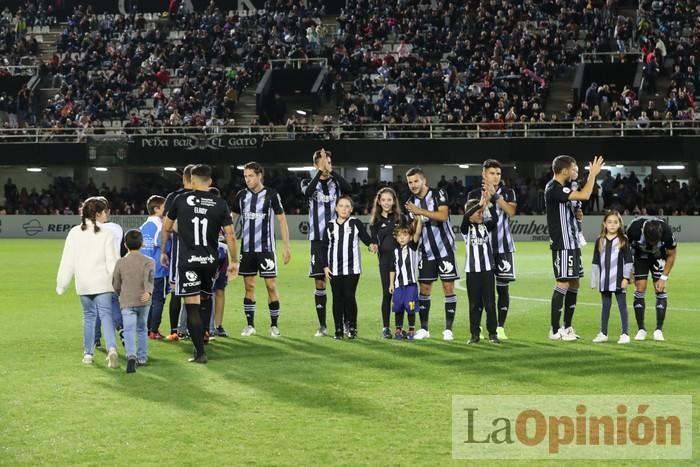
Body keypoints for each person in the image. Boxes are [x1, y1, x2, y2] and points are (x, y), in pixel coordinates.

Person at [160, 164, 239, 363]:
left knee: (192, 306)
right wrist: (235, 260)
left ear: (192, 181)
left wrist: (163, 250)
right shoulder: (220, 203)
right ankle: (205, 334)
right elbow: (230, 234)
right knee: (205, 299)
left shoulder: (179, 199)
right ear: (210, 182)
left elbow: (166, 227)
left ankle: (200, 352)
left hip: (189, 262)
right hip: (210, 262)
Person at [545, 154, 604, 341]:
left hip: (572, 242)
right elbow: (586, 195)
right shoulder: (554, 188)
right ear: (564, 170)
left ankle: (568, 327)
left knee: (574, 282)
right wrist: (593, 175)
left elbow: (574, 204)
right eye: (574, 168)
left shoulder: (564, 188)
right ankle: (555, 330)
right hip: (562, 243)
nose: (576, 172)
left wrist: (577, 213)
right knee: (563, 282)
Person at [56, 197, 119, 368]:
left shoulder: (74, 233)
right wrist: (118, 282)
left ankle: (88, 354)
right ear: (98, 214)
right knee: (106, 316)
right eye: (105, 211)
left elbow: (67, 260)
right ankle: (112, 348)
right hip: (103, 282)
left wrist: (62, 284)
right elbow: (112, 261)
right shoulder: (107, 234)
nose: (107, 214)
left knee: (89, 317)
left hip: (83, 283)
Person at [232, 162, 291, 337]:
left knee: (271, 286)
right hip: (247, 249)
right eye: (245, 176)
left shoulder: (271, 195)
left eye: (250, 176)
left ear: (259, 175)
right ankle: (250, 325)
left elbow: (282, 221)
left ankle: (274, 326)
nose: (247, 179)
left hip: (266, 249)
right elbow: (232, 220)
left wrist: (286, 247)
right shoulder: (241, 196)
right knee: (249, 286)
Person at [300, 148, 351, 337]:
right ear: (315, 165)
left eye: (329, 162)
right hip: (317, 239)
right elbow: (307, 193)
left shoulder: (336, 183)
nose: (327, 166)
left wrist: (331, 171)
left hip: (337, 238)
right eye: (323, 163)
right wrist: (320, 172)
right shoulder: (308, 181)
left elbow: (350, 189)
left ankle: (345, 323)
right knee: (319, 282)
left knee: (341, 284)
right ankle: (322, 326)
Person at [404, 167, 458, 340]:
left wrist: (421, 212)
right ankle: (424, 329)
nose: (413, 185)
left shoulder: (438, 194)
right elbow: (414, 229)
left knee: (448, 287)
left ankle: (448, 329)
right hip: (425, 251)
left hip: (445, 249)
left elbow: (443, 215)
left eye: (416, 181)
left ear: (423, 180)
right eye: (410, 182)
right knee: (425, 288)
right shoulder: (410, 202)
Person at [467, 159, 517, 340]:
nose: (496, 177)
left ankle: (500, 327)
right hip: (482, 249)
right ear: (484, 174)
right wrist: (483, 201)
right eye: (492, 173)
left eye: (498, 173)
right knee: (482, 292)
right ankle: (478, 328)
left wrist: (496, 197)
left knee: (503, 289)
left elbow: (511, 212)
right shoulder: (474, 193)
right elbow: (471, 216)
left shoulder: (508, 192)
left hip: (503, 247)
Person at [324, 196, 376, 339]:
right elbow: (324, 247)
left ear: (351, 209)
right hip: (334, 268)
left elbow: (366, 238)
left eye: (347, 206)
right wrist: (324, 266)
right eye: (341, 206)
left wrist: (372, 245)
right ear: (336, 208)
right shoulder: (329, 225)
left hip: (352, 269)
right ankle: (339, 329)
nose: (344, 209)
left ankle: (351, 327)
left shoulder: (355, 223)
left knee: (349, 297)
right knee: (337, 299)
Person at [626, 216, 677, 341]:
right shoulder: (633, 228)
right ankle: (641, 329)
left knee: (660, 289)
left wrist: (664, 277)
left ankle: (659, 330)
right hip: (639, 255)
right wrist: (629, 271)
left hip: (658, 256)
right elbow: (625, 250)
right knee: (640, 288)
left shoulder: (666, 231)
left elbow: (671, 254)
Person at [113, 230, 154, 373]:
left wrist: (120, 294)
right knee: (142, 329)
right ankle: (142, 357)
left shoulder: (120, 262)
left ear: (125, 245)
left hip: (127, 301)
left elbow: (116, 283)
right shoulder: (149, 261)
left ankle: (131, 355)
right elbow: (149, 280)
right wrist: (148, 292)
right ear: (142, 244)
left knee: (129, 329)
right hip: (143, 301)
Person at [162, 164, 195, 341]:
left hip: (178, 250)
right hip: (200, 250)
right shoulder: (203, 196)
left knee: (176, 291)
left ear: (183, 178)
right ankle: (199, 330)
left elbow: (165, 226)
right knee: (198, 292)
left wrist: (162, 250)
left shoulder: (173, 197)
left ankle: (175, 330)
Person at [461, 197, 500, 344]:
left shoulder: (486, 226)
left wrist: (489, 203)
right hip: (472, 272)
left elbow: (495, 218)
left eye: (482, 213)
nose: (481, 215)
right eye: (478, 213)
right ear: (470, 214)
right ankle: (474, 334)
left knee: (490, 304)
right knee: (474, 305)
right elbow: (465, 216)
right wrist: (479, 204)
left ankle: (493, 334)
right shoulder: (466, 229)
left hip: (487, 271)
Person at [590, 211, 632, 344]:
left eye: (615, 222)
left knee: (622, 306)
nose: (612, 225)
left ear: (619, 224)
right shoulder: (600, 240)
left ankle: (625, 334)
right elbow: (595, 261)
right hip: (605, 281)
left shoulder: (623, 240)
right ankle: (603, 333)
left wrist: (626, 278)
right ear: (604, 224)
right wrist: (594, 280)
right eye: (609, 222)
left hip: (619, 280)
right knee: (605, 306)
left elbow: (629, 261)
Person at [369, 187, 405, 339]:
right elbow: (373, 242)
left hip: (401, 261)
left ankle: (399, 328)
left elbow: (406, 237)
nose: (386, 203)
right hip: (384, 262)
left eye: (389, 200)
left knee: (400, 295)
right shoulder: (375, 222)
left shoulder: (400, 218)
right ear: (379, 201)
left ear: (394, 201)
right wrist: (373, 246)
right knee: (387, 294)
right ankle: (386, 328)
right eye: (383, 200)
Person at [388, 217, 422, 340]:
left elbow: (418, 233)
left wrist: (419, 220)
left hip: (411, 285)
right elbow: (392, 268)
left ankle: (411, 330)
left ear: (409, 237)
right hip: (398, 285)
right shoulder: (395, 251)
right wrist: (391, 284)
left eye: (405, 235)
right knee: (398, 307)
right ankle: (398, 329)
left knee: (410, 307)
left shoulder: (413, 247)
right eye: (399, 235)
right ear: (396, 237)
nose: (402, 238)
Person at [139, 195, 167, 339]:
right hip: (159, 270)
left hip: (144, 269)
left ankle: (147, 328)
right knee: (158, 301)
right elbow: (162, 243)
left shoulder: (143, 226)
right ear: (157, 209)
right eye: (164, 207)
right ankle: (154, 330)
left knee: (148, 300)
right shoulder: (160, 225)